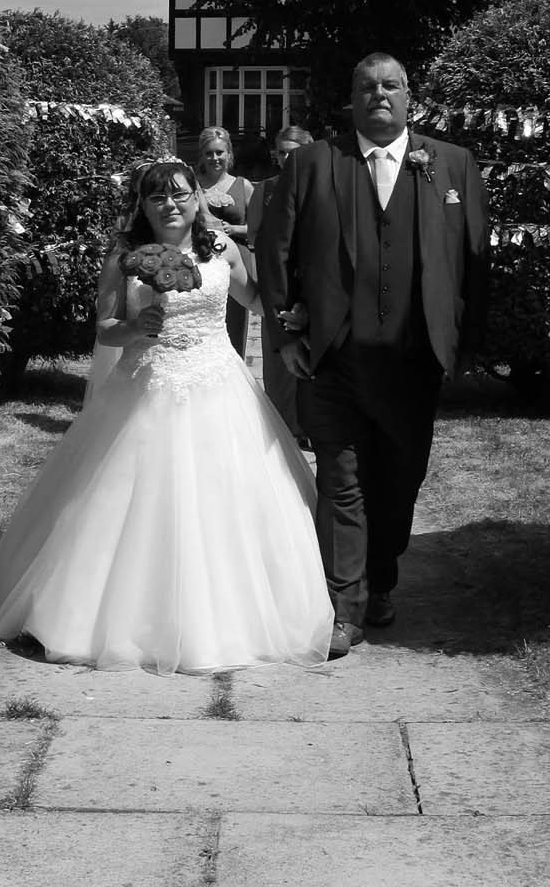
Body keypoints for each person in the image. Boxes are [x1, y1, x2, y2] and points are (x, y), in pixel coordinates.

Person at [0, 160, 333, 674]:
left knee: (230, 497)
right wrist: (137, 325)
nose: (170, 205)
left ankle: (229, 618)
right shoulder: (124, 257)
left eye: (180, 194)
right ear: (142, 205)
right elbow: (106, 328)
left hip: (219, 384)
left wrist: (294, 311)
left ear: (197, 199)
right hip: (145, 386)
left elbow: (253, 298)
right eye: (157, 197)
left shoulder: (221, 248)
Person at [256, 53, 489, 659]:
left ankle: (380, 578)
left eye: (390, 86)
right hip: (332, 361)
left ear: (410, 97)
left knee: (399, 482)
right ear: (351, 98)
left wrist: (466, 345)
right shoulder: (312, 163)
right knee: (341, 482)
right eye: (367, 86)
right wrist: (286, 338)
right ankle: (345, 606)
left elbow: (475, 261)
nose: (379, 95)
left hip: (413, 363)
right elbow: (275, 253)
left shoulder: (453, 163)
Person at [246, 125, 315, 445]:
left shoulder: (322, 185)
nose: (286, 158)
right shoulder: (266, 189)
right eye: (282, 152)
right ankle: (284, 428)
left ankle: (312, 425)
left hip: (314, 283)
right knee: (278, 359)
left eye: (293, 152)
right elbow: (255, 236)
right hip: (278, 284)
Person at [195, 126, 254, 356]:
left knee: (234, 322)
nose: (215, 158)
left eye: (219, 152)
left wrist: (234, 229)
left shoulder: (244, 186)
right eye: (209, 153)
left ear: (229, 153)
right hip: (202, 258)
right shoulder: (192, 185)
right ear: (202, 156)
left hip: (237, 260)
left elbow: (260, 228)